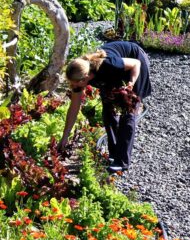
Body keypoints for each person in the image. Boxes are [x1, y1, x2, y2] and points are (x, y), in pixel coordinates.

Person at [59, 41, 152, 173]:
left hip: (135, 62)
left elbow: (136, 63)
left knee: (128, 114)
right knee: (108, 112)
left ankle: (122, 161)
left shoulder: (109, 64)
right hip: (112, 76)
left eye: (76, 85)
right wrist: (65, 136)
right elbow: (74, 108)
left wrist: (130, 83)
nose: (74, 88)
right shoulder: (80, 73)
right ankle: (114, 154)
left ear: (86, 78)